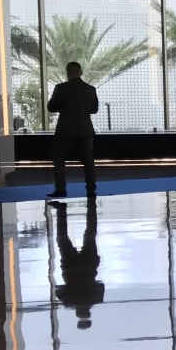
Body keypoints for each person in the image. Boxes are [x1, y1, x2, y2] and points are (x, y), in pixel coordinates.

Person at [47, 61, 99, 200]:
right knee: (88, 160)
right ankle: (91, 189)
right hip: (85, 129)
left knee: (59, 159)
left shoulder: (60, 88)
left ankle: (61, 189)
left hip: (65, 129)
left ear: (67, 73)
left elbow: (51, 107)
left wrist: (64, 107)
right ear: (80, 72)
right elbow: (94, 110)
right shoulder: (90, 89)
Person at [54, 198, 103, 329]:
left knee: (90, 233)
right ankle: (61, 210)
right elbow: (58, 290)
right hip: (70, 268)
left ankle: (91, 204)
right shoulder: (69, 302)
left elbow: (101, 285)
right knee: (62, 239)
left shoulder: (96, 299)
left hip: (89, 266)